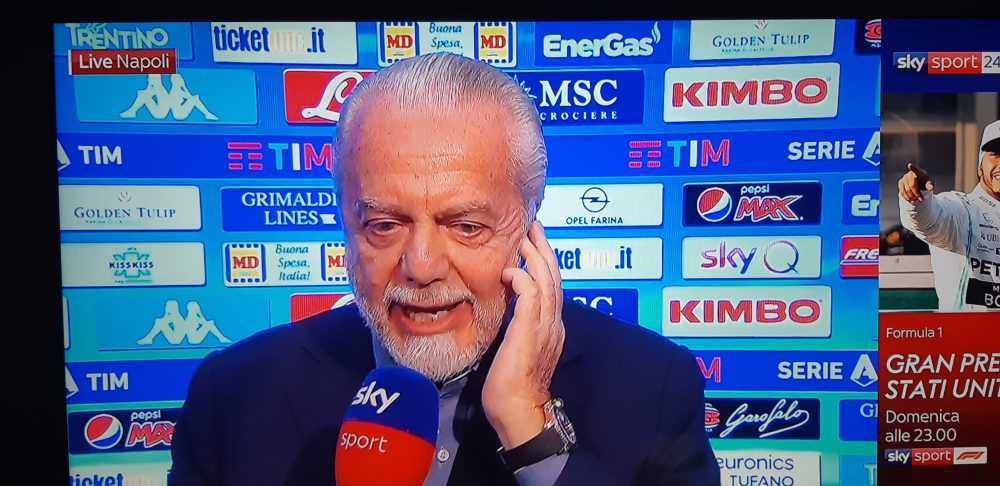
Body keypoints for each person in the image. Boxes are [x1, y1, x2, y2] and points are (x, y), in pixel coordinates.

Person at [170, 53, 719, 485]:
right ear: (345, 226)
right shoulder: (235, 394)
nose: (422, 267)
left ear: (529, 229)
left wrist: (531, 428)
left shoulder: (652, 386)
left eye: (466, 226)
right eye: (384, 224)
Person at [898, 119, 1000, 311]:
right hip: (967, 331)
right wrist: (917, 197)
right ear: (980, 167)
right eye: (996, 154)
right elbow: (927, 219)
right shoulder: (963, 209)